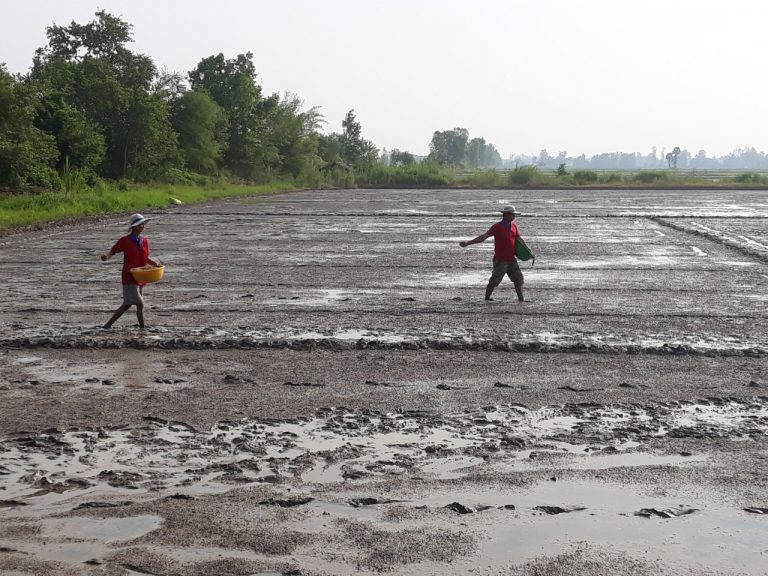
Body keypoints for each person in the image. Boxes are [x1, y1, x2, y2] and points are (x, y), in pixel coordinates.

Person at [459, 205, 533, 302]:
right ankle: (487, 298)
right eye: (513, 214)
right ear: (506, 215)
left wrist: (529, 251)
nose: (514, 216)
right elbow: (484, 237)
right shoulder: (497, 227)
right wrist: (468, 243)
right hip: (500, 259)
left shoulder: (514, 226)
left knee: (519, 280)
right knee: (494, 280)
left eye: (514, 214)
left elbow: (519, 239)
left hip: (511, 259)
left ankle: (521, 299)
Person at [100, 213, 159, 328]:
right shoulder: (125, 241)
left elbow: (145, 258)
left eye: (143, 224)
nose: (143, 226)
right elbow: (113, 250)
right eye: (140, 224)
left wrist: (154, 263)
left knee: (132, 304)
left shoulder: (144, 241)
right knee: (138, 303)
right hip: (129, 276)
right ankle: (141, 327)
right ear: (134, 227)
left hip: (141, 276)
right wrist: (107, 257)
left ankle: (139, 327)